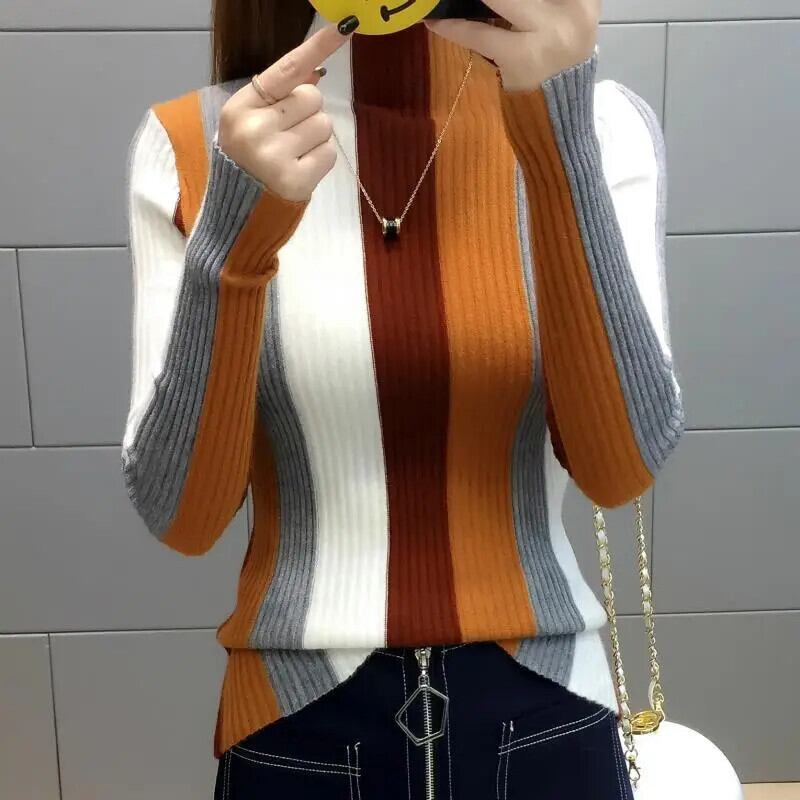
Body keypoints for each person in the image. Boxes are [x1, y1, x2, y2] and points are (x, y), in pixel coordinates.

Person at [121, 0, 684, 797]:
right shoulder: (196, 140)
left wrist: (558, 139)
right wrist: (233, 247)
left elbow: (620, 466)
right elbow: (183, 513)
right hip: (297, 725)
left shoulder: (599, 120)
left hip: (549, 713)